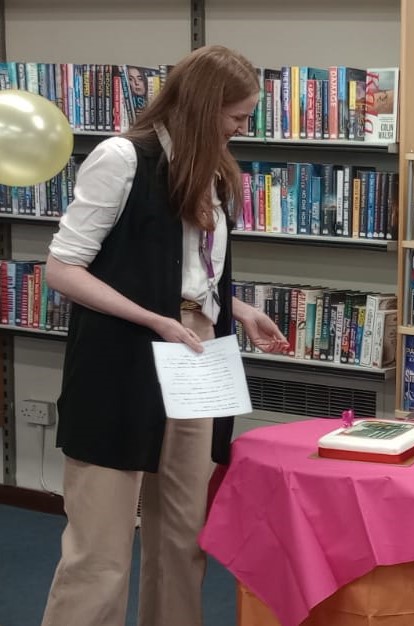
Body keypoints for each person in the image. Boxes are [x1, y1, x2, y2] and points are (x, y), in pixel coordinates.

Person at [41, 45, 288, 626]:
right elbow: (62, 270)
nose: (242, 129)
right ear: (203, 108)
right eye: (236, 117)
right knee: (99, 549)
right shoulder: (122, 158)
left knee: (183, 535)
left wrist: (238, 308)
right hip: (122, 358)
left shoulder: (214, 172)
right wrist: (155, 319)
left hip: (195, 351)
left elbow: (190, 272)